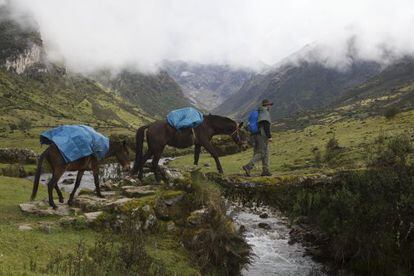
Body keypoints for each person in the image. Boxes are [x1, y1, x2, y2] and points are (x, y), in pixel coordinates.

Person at [242, 99, 273, 176]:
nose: (270, 106)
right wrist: (269, 136)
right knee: (262, 153)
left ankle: (265, 170)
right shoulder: (264, 112)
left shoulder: (256, 111)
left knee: (265, 152)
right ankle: (248, 166)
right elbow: (266, 124)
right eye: (270, 105)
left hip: (254, 135)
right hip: (261, 135)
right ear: (267, 105)